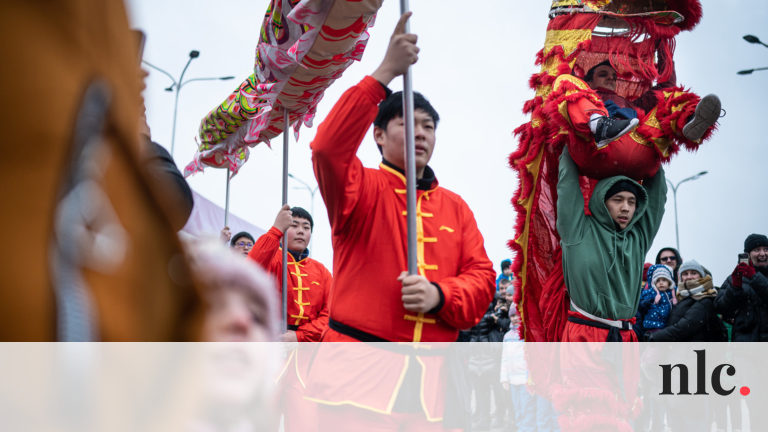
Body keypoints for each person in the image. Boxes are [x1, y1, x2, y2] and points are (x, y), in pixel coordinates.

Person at [305, 12, 495, 430]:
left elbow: (482, 280)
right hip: (351, 386)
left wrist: (440, 295)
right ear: (378, 134)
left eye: (430, 126)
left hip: (429, 394)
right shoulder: (359, 188)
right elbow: (326, 149)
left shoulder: (456, 207)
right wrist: (386, 72)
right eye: (408, 122)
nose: (422, 132)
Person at [557, 146, 666, 342]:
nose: (626, 208)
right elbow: (567, 185)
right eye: (618, 200)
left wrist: (656, 144)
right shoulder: (577, 229)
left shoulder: (638, 238)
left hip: (626, 339)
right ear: (602, 201)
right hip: (585, 336)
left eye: (632, 202)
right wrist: (570, 139)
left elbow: (658, 195)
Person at [248, 205, 330, 342]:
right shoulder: (272, 258)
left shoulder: (321, 271)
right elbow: (250, 270)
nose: (301, 231)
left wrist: (300, 336)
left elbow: (331, 313)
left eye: (306, 227)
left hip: (308, 348)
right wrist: (276, 230)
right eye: (294, 225)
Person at [648, 260, 722, 342]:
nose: (689, 276)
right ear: (681, 277)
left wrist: (654, 336)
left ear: (701, 276)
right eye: (685, 274)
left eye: (694, 273)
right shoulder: (681, 296)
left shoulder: (706, 297)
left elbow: (685, 327)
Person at [715, 233, 768, 341]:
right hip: (745, 345)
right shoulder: (734, 277)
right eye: (757, 250)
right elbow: (720, 306)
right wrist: (735, 287)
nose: (762, 253)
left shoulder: (756, 277)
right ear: (747, 254)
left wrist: (754, 277)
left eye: (766, 249)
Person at [638, 264, 677, 339]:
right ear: (654, 283)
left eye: (664, 280)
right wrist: (645, 302)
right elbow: (641, 301)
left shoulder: (672, 293)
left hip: (666, 325)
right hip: (651, 325)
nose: (661, 283)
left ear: (669, 282)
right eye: (658, 280)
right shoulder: (651, 292)